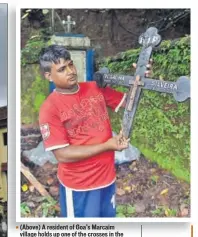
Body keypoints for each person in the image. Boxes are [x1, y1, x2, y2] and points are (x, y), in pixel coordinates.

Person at [39, 44, 151, 218]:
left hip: (107, 178)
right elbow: (62, 154)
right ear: (49, 76)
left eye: (70, 64)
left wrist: (141, 77)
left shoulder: (94, 88)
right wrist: (107, 146)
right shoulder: (50, 109)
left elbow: (130, 101)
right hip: (80, 186)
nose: (70, 71)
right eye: (62, 69)